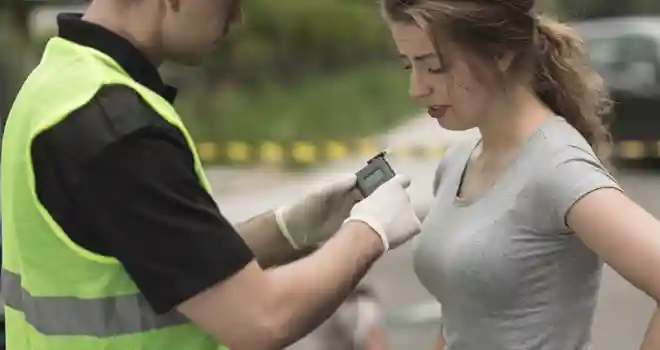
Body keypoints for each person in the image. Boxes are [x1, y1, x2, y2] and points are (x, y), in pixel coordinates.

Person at [0, 1, 423, 350]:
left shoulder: (56, 86)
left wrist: (288, 230)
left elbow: (164, 265)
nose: (237, 18)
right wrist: (369, 232)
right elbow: (262, 320)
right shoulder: (117, 128)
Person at [380, 0, 660, 349]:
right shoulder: (457, 162)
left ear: (501, 54)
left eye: (435, 67)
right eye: (409, 66)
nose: (416, 88)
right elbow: (462, 313)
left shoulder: (557, 169)